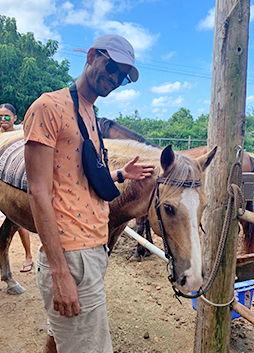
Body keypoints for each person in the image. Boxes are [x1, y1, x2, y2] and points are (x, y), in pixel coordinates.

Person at [23, 35, 154, 353]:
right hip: (71, 256)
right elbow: (38, 191)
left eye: (122, 77)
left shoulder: (91, 117)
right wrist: (59, 272)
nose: (115, 78)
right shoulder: (48, 107)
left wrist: (122, 175)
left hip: (95, 249)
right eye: (112, 67)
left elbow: (79, 178)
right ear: (93, 55)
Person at [0, 103, 34, 272]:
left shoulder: (20, 133)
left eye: (6, 116)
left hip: (14, 181)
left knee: (20, 223)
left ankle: (28, 255)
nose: (3, 120)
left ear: (14, 118)